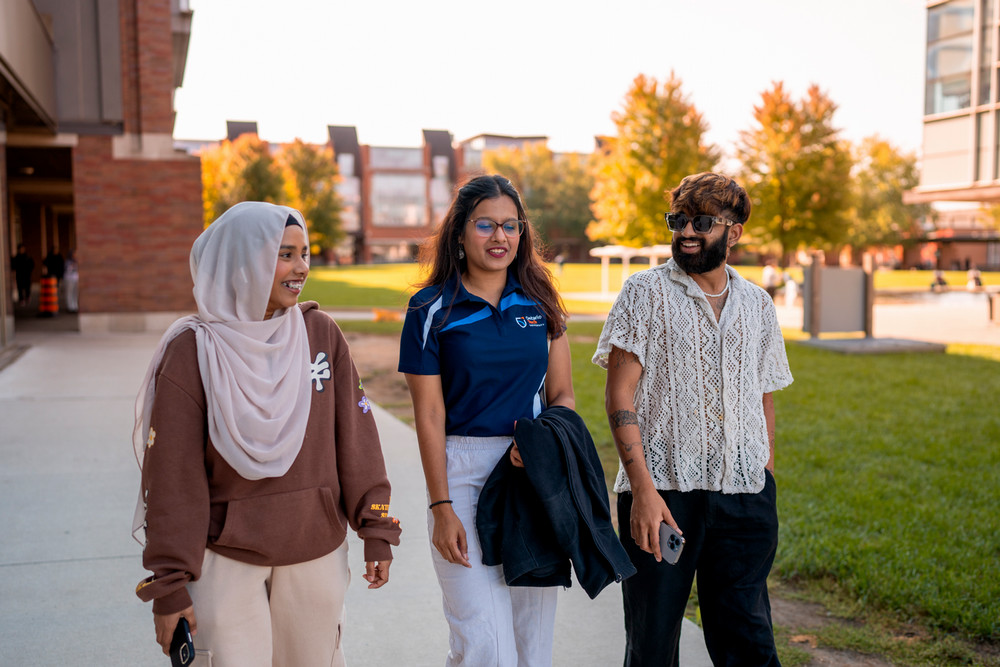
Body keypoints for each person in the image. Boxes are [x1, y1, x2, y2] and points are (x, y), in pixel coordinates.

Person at [132, 201, 400, 666]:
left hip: (314, 549)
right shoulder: (193, 351)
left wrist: (374, 527)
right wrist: (170, 583)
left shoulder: (321, 335)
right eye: (285, 255)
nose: (302, 268)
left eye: (305, 254)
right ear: (243, 260)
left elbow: (356, 437)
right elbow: (174, 476)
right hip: (224, 559)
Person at [594, 172, 793, 666]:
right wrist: (642, 490)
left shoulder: (759, 305)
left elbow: (763, 393)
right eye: (678, 219)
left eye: (701, 221)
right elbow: (620, 394)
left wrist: (764, 472)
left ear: (734, 232)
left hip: (745, 498)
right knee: (653, 644)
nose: (686, 231)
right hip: (663, 495)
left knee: (748, 642)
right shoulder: (643, 294)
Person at [398, 174, 575, 666]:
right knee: (483, 643)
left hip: (529, 473)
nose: (500, 237)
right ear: (458, 233)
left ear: (522, 234)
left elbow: (562, 395)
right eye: (485, 225)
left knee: (531, 646)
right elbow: (429, 414)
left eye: (510, 226)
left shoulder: (541, 304)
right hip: (462, 470)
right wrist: (440, 507)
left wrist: (542, 443)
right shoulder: (429, 309)